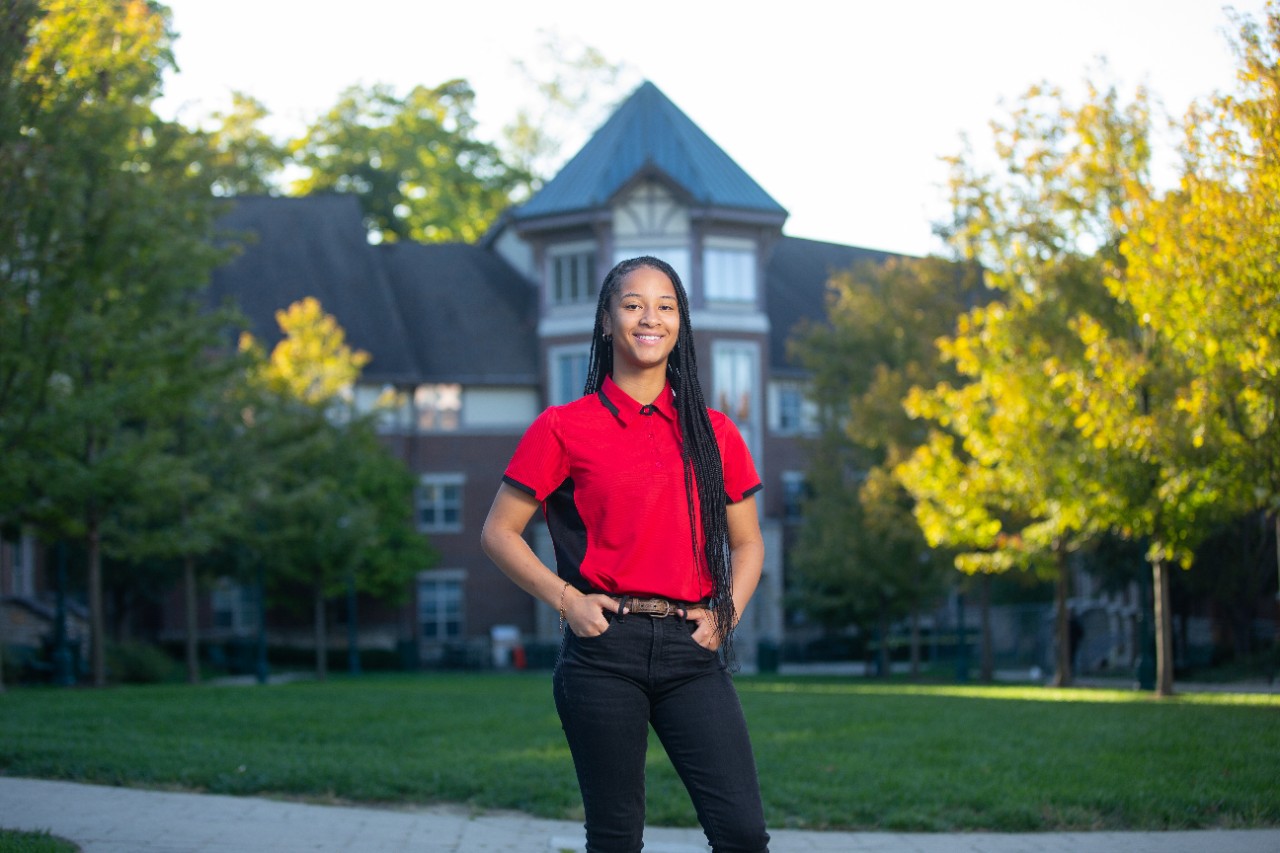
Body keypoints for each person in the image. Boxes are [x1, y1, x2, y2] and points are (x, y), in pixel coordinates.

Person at [480, 256, 770, 853]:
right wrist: (567, 600)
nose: (650, 318)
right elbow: (498, 532)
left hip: (693, 651)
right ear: (608, 321)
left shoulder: (716, 432)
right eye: (633, 304)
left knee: (742, 834)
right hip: (602, 651)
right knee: (615, 839)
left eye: (666, 306)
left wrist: (727, 616)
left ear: (680, 326)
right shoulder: (563, 427)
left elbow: (747, 543)